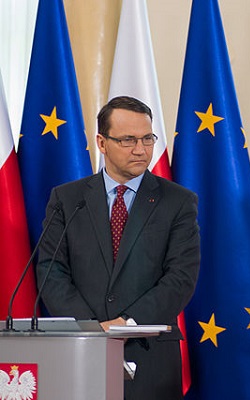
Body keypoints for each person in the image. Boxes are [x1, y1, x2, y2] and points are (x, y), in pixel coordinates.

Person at [36, 96, 201, 399]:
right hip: (80, 353)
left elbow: (180, 278)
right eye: (128, 140)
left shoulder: (178, 202)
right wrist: (92, 330)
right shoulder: (67, 199)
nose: (141, 149)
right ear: (102, 142)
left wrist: (125, 324)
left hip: (150, 358)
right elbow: (51, 270)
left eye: (147, 138)